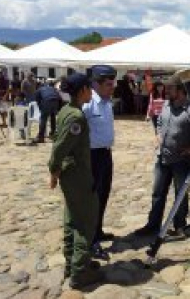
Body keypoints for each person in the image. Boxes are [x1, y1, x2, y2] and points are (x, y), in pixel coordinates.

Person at [48, 73, 103, 290]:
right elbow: (59, 146)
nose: (92, 92)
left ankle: (72, 264)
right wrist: (53, 170)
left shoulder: (66, 111)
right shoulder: (75, 117)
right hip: (78, 176)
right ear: (81, 91)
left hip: (70, 173)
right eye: (90, 88)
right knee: (85, 221)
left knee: (72, 218)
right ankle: (80, 273)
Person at [134, 74, 190, 237]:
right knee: (157, 193)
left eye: (170, 88)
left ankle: (179, 226)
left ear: (181, 90)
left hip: (181, 160)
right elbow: (160, 122)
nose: (166, 91)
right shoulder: (166, 105)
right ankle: (153, 225)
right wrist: (158, 135)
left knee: (180, 194)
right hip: (162, 157)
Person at [82, 65, 117, 260]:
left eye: (113, 84)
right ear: (96, 84)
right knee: (93, 198)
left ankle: (98, 230)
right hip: (92, 156)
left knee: (104, 194)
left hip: (105, 154)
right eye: (108, 84)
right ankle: (91, 240)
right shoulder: (88, 105)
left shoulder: (106, 102)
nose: (112, 88)